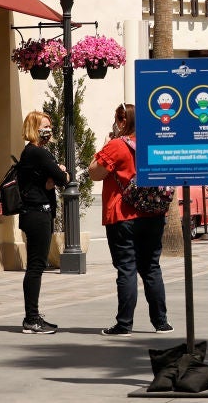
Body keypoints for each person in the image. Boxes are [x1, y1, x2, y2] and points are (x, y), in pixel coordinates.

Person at [88, 103, 171, 336]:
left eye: (118, 118)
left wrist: (106, 144)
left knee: (126, 268)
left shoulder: (116, 146)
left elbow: (94, 173)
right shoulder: (153, 143)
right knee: (151, 267)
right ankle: (161, 322)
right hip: (153, 214)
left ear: (123, 121)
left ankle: (124, 324)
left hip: (122, 215)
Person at [17, 110, 69, 334]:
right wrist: (61, 173)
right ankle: (32, 318)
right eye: (44, 126)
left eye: (49, 126)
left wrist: (53, 178)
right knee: (36, 266)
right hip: (37, 214)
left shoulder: (32, 153)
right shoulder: (37, 153)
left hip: (36, 213)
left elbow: (50, 181)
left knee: (36, 266)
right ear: (33, 128)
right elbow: (62, 179)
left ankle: (33, 316)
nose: (48, 130)